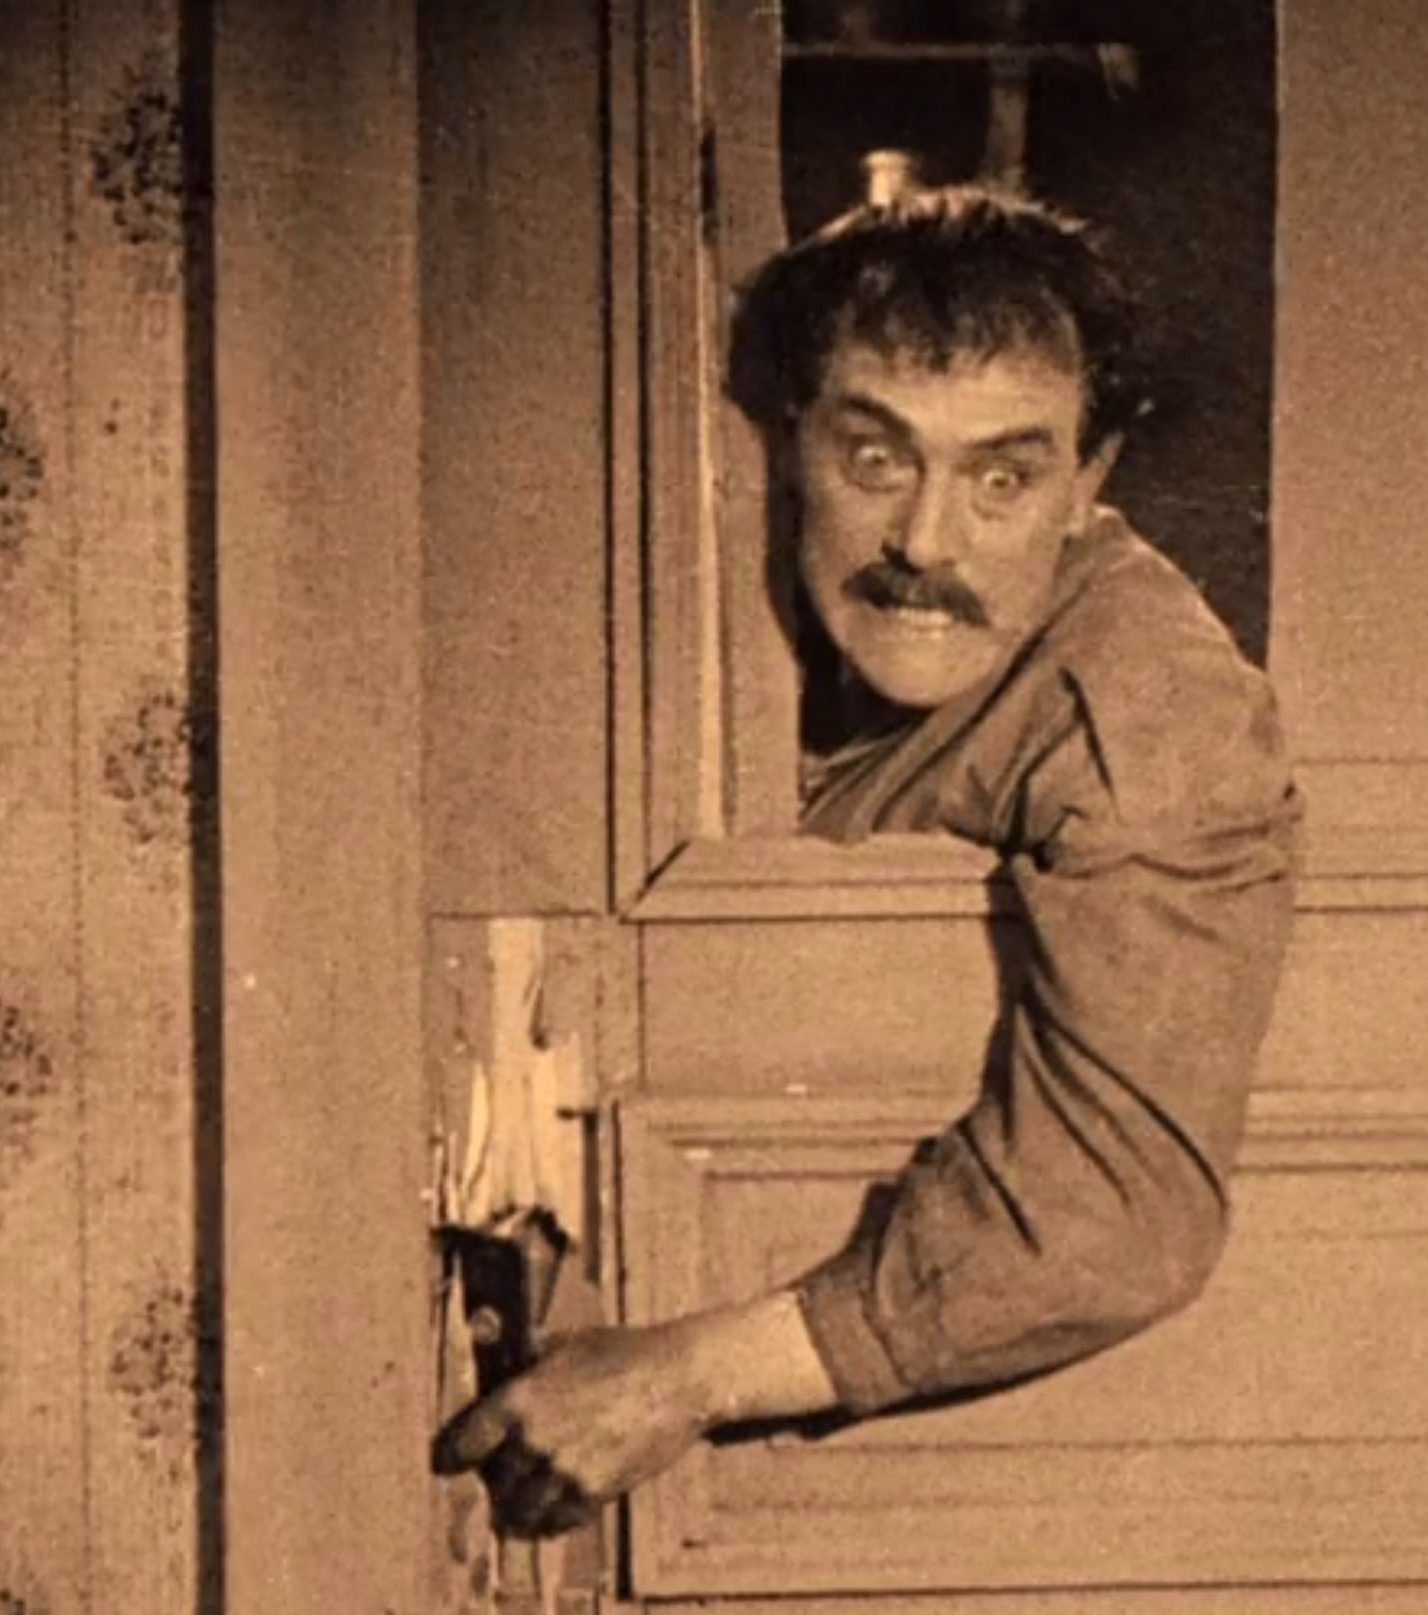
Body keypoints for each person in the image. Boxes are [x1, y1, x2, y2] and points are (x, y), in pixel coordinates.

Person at [432, 183, 1302, 1540]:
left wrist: (682, 1378)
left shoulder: (1160, 715)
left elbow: (1114, 1220)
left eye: (1004, 479)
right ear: (789, 441)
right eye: (877, 459)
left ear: (1089, 482)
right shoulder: (696, 588)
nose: (925, 545)